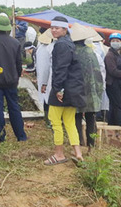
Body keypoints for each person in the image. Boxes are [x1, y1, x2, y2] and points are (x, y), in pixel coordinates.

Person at [44, 16, 84, 165]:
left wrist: (58, 89)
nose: (54, 30)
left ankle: (59, 154)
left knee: (55, 121)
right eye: (52, 27)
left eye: (57, 28)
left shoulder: (61, 45)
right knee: (70, 122)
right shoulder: (70, 43)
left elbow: (61, 68)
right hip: (73, 89)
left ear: (64, 29)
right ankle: (77, 152)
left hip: (63, 89)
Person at [0, 14, 28, 143]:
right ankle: (21, 136)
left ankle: (1, 137)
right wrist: (17, 75)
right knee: (14, 107)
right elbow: (19, 63)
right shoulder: (15, 42)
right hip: (11, 80)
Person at [70, 24, 103, 150]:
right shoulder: (91, 52)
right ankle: (92, 145)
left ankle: (79, 144)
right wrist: (98, 91)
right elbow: (97, 72)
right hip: (91, 90)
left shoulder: (72, 52)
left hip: (77, 89)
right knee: (91, 118)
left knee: (76, 118)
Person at [104, 32, 121, 126]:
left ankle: (114, 126)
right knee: (116, 106)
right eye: (113, 41)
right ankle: (116, 127)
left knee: (118, 105)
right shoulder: (109, 55)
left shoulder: (120, 54)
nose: (115, 42)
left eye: (117, 41)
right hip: (113, 84)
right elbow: (112, 71)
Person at [36, 28, 54, 127]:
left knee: (47, 98)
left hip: (47, 79)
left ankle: (48, 120)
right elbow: (44, 68)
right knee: (47, 99)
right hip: (47, 79)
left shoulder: (42, 48)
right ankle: (49, 120)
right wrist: (44, 83)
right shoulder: (46, 49)